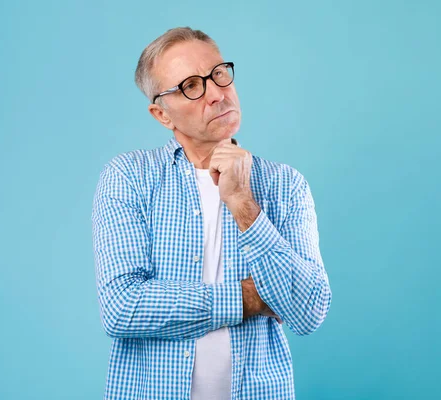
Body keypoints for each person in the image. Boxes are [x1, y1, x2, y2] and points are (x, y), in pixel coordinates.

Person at [91, 26, 332, 400]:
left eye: (219, 73)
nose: (218, 94)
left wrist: (242, 203)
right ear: (162, 114)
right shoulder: (130, 177)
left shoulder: (285, 185)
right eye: (191, 85)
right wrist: (252, 298)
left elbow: (309, 309)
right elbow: (123, 308)